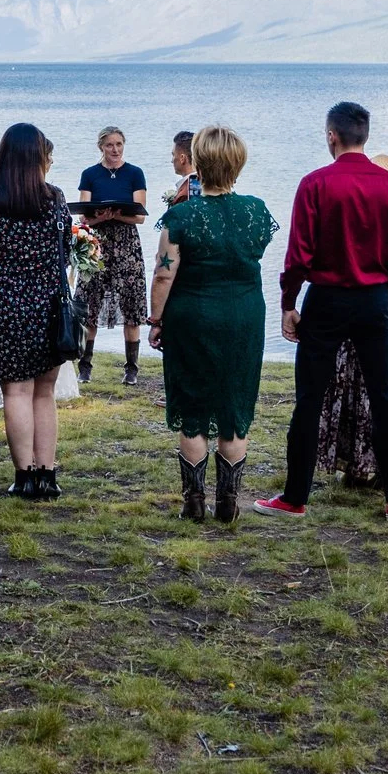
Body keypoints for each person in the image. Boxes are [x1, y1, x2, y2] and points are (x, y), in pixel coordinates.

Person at [254, 101, 388, 523]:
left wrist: (289, 302)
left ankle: (294, 497)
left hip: (325, 299)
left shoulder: (314, 184)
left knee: (309, 397)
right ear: (364, 135)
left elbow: (298, 256)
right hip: (373, 300)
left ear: (332, 135)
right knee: (384, 398)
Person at [147, 125, 276, 523]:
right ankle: (228, 502)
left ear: (198, 162)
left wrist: (155, 319)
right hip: (243, 317)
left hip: (193, 318)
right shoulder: (256, 210)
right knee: (234, 408)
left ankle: (193, 501)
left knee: (193, 407)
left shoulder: (183, 214)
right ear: (237, 164)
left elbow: (164, 274)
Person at [0, 122, 75, 500]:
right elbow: (66, 248)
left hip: (3, 305)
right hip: (48, 306)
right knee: (44, 394)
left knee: (16, 392)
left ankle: (24, 476)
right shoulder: (55, 198)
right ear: (39, 158)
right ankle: (48, 475)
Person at [312, 153, 388, 492]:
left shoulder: (346, 201)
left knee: (364, 387)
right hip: (379, 301)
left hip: (358, 300)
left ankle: (369, 465)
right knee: (373, 388)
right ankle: (370, 468)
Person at [76, 125, 149, 385]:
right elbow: (83, 216)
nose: (115, 149)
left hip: (127, 245)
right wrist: (101, 218)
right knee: (90, 305)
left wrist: (117, 215)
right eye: (110, 145)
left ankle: (131, 369)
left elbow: (139, 216)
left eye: (119, 144)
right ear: (101, 147)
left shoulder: (135, 173)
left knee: (131, 304)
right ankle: (85, 366)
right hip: (97, 244)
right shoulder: (90, 174)